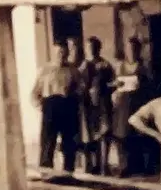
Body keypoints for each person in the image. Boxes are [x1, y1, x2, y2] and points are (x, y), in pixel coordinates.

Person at [31, 41, 84, 173]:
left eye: (63, 52)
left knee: (69, 142)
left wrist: (74, 98)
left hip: (67, 106)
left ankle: (68, 172)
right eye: (58, 52)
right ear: (53, 52)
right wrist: (40, 106)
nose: (61, 55)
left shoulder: (73, 70)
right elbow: (34, 93)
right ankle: (46, 171)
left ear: (67, 53)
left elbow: (81, 88)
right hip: (50, 106)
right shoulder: (45, 70)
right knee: (48, 141)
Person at [110, 37, 153, 177]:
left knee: (139, 134)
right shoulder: (120, 66)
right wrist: (116, 86)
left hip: (137, 104)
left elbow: (150, 86)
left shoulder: (143, 67)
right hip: (123, 105)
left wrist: (142, 86)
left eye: (134, 49)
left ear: (139, 50)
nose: (131, 52)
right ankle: (125, 166)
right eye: (129, 49)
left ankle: (140, 166)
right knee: (123, 135)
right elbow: (113, 84)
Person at [78, 37, 115, 175]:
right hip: (88, 105)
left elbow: (113, 82)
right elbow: (79, 84)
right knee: (88, 135)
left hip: (103, 103)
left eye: (94, 47)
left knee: (104, 134)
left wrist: (111, 87)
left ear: (99, 48)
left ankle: (104, 166)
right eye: (89, 47)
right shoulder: (83, 66)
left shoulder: (105, 65)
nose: (91, 50)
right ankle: (90, 165)